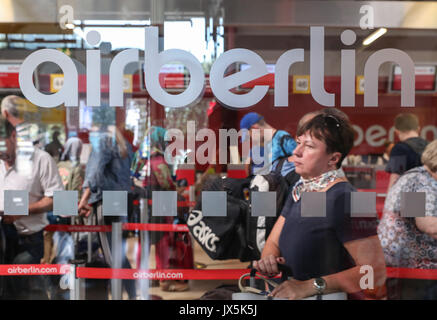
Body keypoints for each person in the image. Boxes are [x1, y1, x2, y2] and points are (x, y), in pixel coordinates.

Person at [253, 113, 386, 300]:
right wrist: (269, 260)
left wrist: (310, 286)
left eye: (309, 146)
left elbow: (376, 272)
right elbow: (273, 243)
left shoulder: (348, 198)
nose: (296, 152)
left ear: (333, 159)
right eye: (299, 143)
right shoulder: (300, 191)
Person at [0, 117, 64, 299]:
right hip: (1, 237)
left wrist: (24, 210)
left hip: (28, 239)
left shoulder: (41, 159)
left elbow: (56, 199)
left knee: (22, 289)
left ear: (13, 136)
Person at [78, 125, 136, 299]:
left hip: (106, 200)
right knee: (117, 252)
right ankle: (131, 294)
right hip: (122, 199)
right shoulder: (123, 143)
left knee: (112, 254)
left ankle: (121, 295)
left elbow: (95, 173)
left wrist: (84, 199)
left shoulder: (103, 142)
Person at [377, 140, 437, 299]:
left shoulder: (416, 176)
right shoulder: (419, 182)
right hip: (413, 271)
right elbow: (427, 224)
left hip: (404, 267)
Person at [386, 113, 428, 190]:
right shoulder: (430, 146)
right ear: (418, 129)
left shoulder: (399, 148)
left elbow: (395, 177)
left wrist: (389, 198)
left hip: (408, 195)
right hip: (430, 195)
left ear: (396, 131)